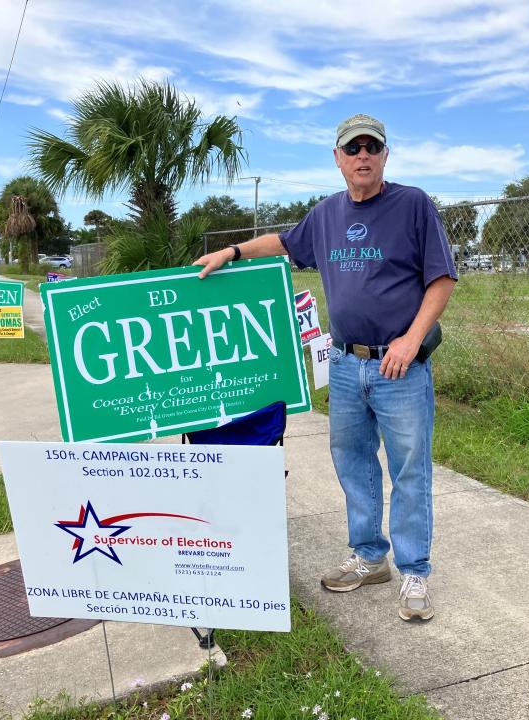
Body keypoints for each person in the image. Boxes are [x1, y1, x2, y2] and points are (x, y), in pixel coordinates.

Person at [194, 113, 457, 622]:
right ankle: (368, 556)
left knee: (409, 469)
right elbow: (285, 244)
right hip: (344, 363)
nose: (363, 156)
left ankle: (415, 571)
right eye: (352, 148)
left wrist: (411, 338)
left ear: (385, 155)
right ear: (337, 158)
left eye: (372, 148)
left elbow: (441, 279)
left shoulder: (413, 206)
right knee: (353, 463)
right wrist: (232, 251)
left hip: (399, 367)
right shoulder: (327, 214)